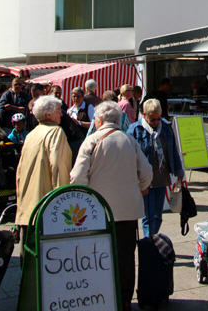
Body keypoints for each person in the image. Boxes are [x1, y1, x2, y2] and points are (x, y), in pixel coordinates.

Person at [70, 101, 152, 311]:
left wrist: (83, 197)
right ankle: (125, 298)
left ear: (98, 120)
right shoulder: (129, 140)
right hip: (127, 210)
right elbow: (147, 173)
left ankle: (102, 295)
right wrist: (142, 187)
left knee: (98, 256)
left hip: (98, 211)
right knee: (126, 256)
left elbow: (77, 177)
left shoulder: (91, 141)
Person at [127, 98, 184, 237]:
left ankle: (153, 238)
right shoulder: (134, 130)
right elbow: (129, 157)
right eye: (152, 120)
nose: (156, 123)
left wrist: (179, 171)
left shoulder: (166, 127)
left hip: (161, 177)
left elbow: (173, 149)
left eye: (158, 118)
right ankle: (149, 242)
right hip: (144, 179)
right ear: (145, 115)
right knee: (147, 216)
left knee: (157, 215)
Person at [15, 96, 72, 235]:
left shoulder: (31, 134)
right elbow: (59, 166)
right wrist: (62, 200)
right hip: (46, 207)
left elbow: (19, 171)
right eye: (58, 110)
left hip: (27, 207)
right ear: (48, 114)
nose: (61, 113)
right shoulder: (55, 132)